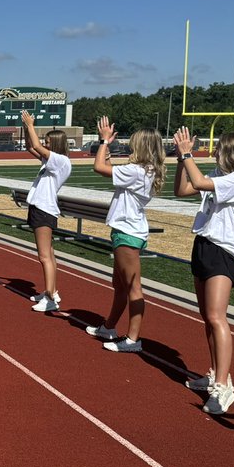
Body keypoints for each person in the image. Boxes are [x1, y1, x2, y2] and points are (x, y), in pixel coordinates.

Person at [172, 127, 234, 415]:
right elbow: (184, 189)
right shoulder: (220, 174)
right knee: (206, 318)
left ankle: (224, 386)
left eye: (219, 148)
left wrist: (188, 154)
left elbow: (197, 180)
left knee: (216, 316)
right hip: (204, 243)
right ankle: (214, 373)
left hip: (223, 250)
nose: (214, 152)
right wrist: (180, 160)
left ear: (233, 151)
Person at [85, 119, 164, 353]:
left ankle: (132, 339)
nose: (130, 146)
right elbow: (107, 168)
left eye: (134, 144)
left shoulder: (138, 171)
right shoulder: (143, 170)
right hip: (128, 230)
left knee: (132, 287)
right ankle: (109, 327)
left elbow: (98, 168)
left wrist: (102, 142)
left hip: (128, 232)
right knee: (120, 286)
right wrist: (106, 147)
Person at [21, 110, 71, 312]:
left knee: (44, 256)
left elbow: (36, 146)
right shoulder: (51, 162)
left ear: (56, 144)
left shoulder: (61, 161)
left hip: (44, 210)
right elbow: (30, 146)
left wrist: (31, 125)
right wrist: (26, 128)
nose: (45, 144)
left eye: (49, 142)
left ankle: (50, 298)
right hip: (39, 208)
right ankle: (51, 291)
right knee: (48, 254)